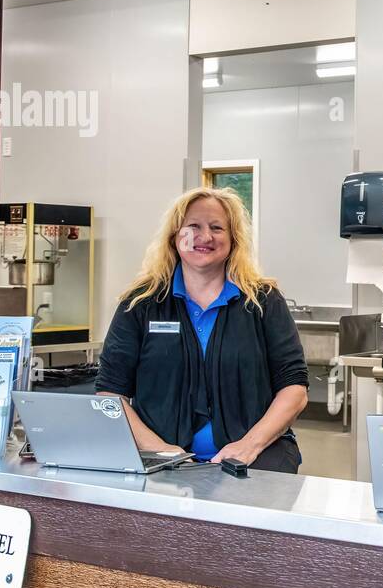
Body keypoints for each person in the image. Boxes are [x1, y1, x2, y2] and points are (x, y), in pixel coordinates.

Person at [96, 186, 309, 471]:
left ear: (233, 239)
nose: (205, 237)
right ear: (174, 237)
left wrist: (249, 446)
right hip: (160, 461)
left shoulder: (262, 301)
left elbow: (294, 387)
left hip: (255, 458)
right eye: (193, 226)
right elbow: (111, 393)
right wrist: (160, 450)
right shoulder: (140, 304)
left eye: (217, 228)